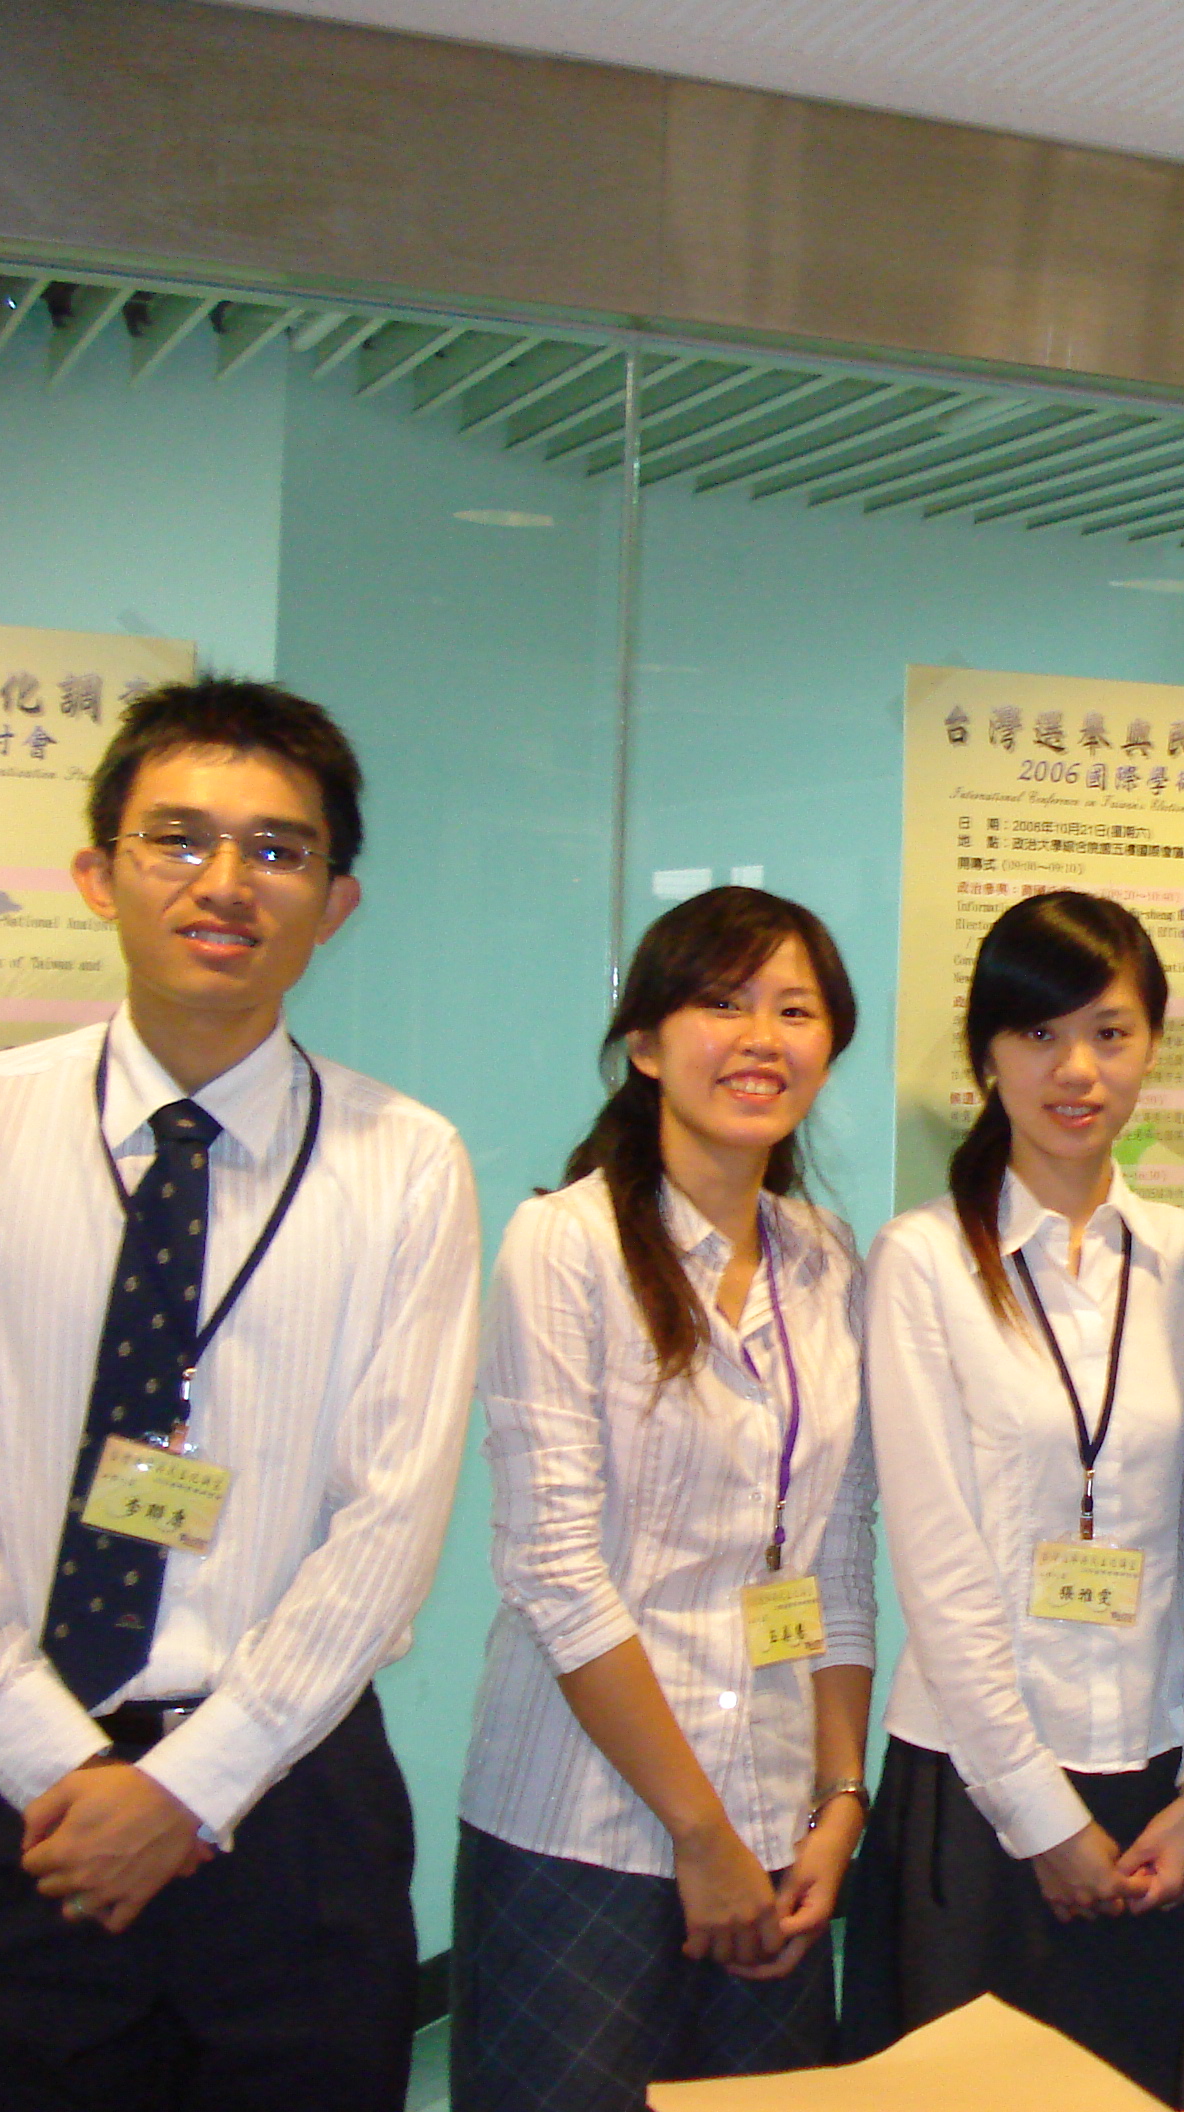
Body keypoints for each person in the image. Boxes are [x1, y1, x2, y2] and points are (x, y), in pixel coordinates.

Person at [0, 678, 482, 2111]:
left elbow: (390, 1521)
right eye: (177, 838)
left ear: (336, 903)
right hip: (20, 1795)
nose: (225, 881)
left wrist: (189, 1786)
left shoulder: (407, 1161)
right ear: (96, 872)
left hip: (292, 1806)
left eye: (277, 849)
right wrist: (61, 1766)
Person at [450, 886, 877, 2110]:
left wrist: (837, 1801)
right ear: (645, 1043)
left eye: (793, 1009)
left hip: (778, 1816)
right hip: (583, 1826)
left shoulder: (824, 1256)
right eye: (722, 1003)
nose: (760, 1038)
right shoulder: (565, 1243)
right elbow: (552, 1570)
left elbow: (837, 1554)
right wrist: (700, 1835)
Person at [853, 889, 1184, 2101]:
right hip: (976, 1796)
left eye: (1109, 1033)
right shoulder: (922, 1261)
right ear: (985, 1056)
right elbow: (939, 1568)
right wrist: (1043, 1820)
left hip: (1161, 1793)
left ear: (1151, 1048)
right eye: (1038, 1034)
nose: (1076, 1070)